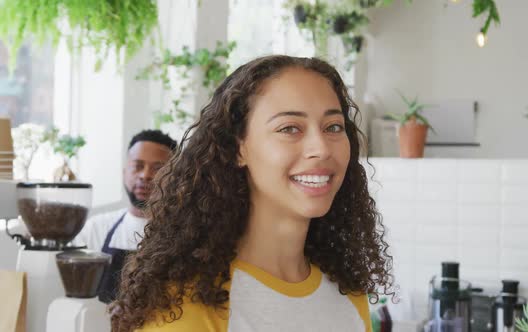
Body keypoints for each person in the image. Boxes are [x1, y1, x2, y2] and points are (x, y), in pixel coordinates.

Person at [110, 55, 394, 332]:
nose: (321, 148)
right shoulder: (184, 310)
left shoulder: (348, 295)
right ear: (238, 148)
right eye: (290, 128)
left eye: (333, 127)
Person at [76, 129, 177, 303]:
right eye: (138, 166)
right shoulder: (95, 229)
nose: (145, 175)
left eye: (158, 168)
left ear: (174, 177)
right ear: (124, 172)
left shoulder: (182, 234)